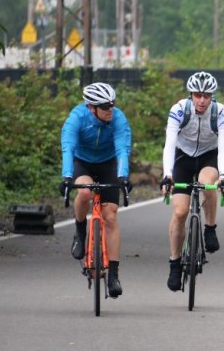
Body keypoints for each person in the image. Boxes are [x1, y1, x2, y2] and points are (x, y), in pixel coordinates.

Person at [161, 71, 224, 292]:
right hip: (183, 157)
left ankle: (210, 228)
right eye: (197, 95)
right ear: (191, 95)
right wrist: (167, 174)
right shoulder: (179, 110)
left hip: (209, 156)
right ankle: (174, 263)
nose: (202, 100)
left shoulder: (221, 113)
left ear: (213, 96)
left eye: (206, 96)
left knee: (206, 182)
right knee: (180, 212)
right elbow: (169, 144)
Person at [60, 82, 132, 298]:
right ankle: (80, 231)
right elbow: (68, 147)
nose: (110, 109)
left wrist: (123, 176)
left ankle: (114, 275)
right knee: (84, 192)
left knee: (111, 216)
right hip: (82, 163)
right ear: (91, 107)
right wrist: (67, 177)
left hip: (108, 164)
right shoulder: (77, 118)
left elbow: (122, 148)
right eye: (104, 106)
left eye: (112, 104)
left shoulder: (118, 118)